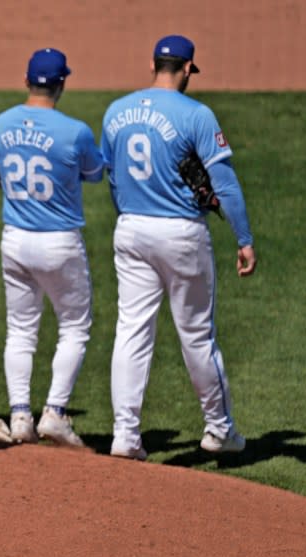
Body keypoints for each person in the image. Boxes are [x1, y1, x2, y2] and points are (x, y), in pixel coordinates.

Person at [100, 35, 257, 460]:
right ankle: (219, 430)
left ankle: (125, 436)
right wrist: (243, 239)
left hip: (130, 229)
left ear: (153, 64)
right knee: (196, 334)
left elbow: (112, 177)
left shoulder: (116, 112)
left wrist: (132, 212)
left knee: (131, 330)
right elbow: (223, 182)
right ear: (188, 68)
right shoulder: (197, 114)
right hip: (182, 233)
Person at [0, 49, 104, 446]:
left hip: (15, 239)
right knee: (74, 327)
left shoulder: (2, 123)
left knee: (20, 330)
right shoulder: (74, 131)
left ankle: (20, 416)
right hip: (59, 241)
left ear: (26, 80)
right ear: (62, 84)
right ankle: (54, 412)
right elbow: (93, 173)